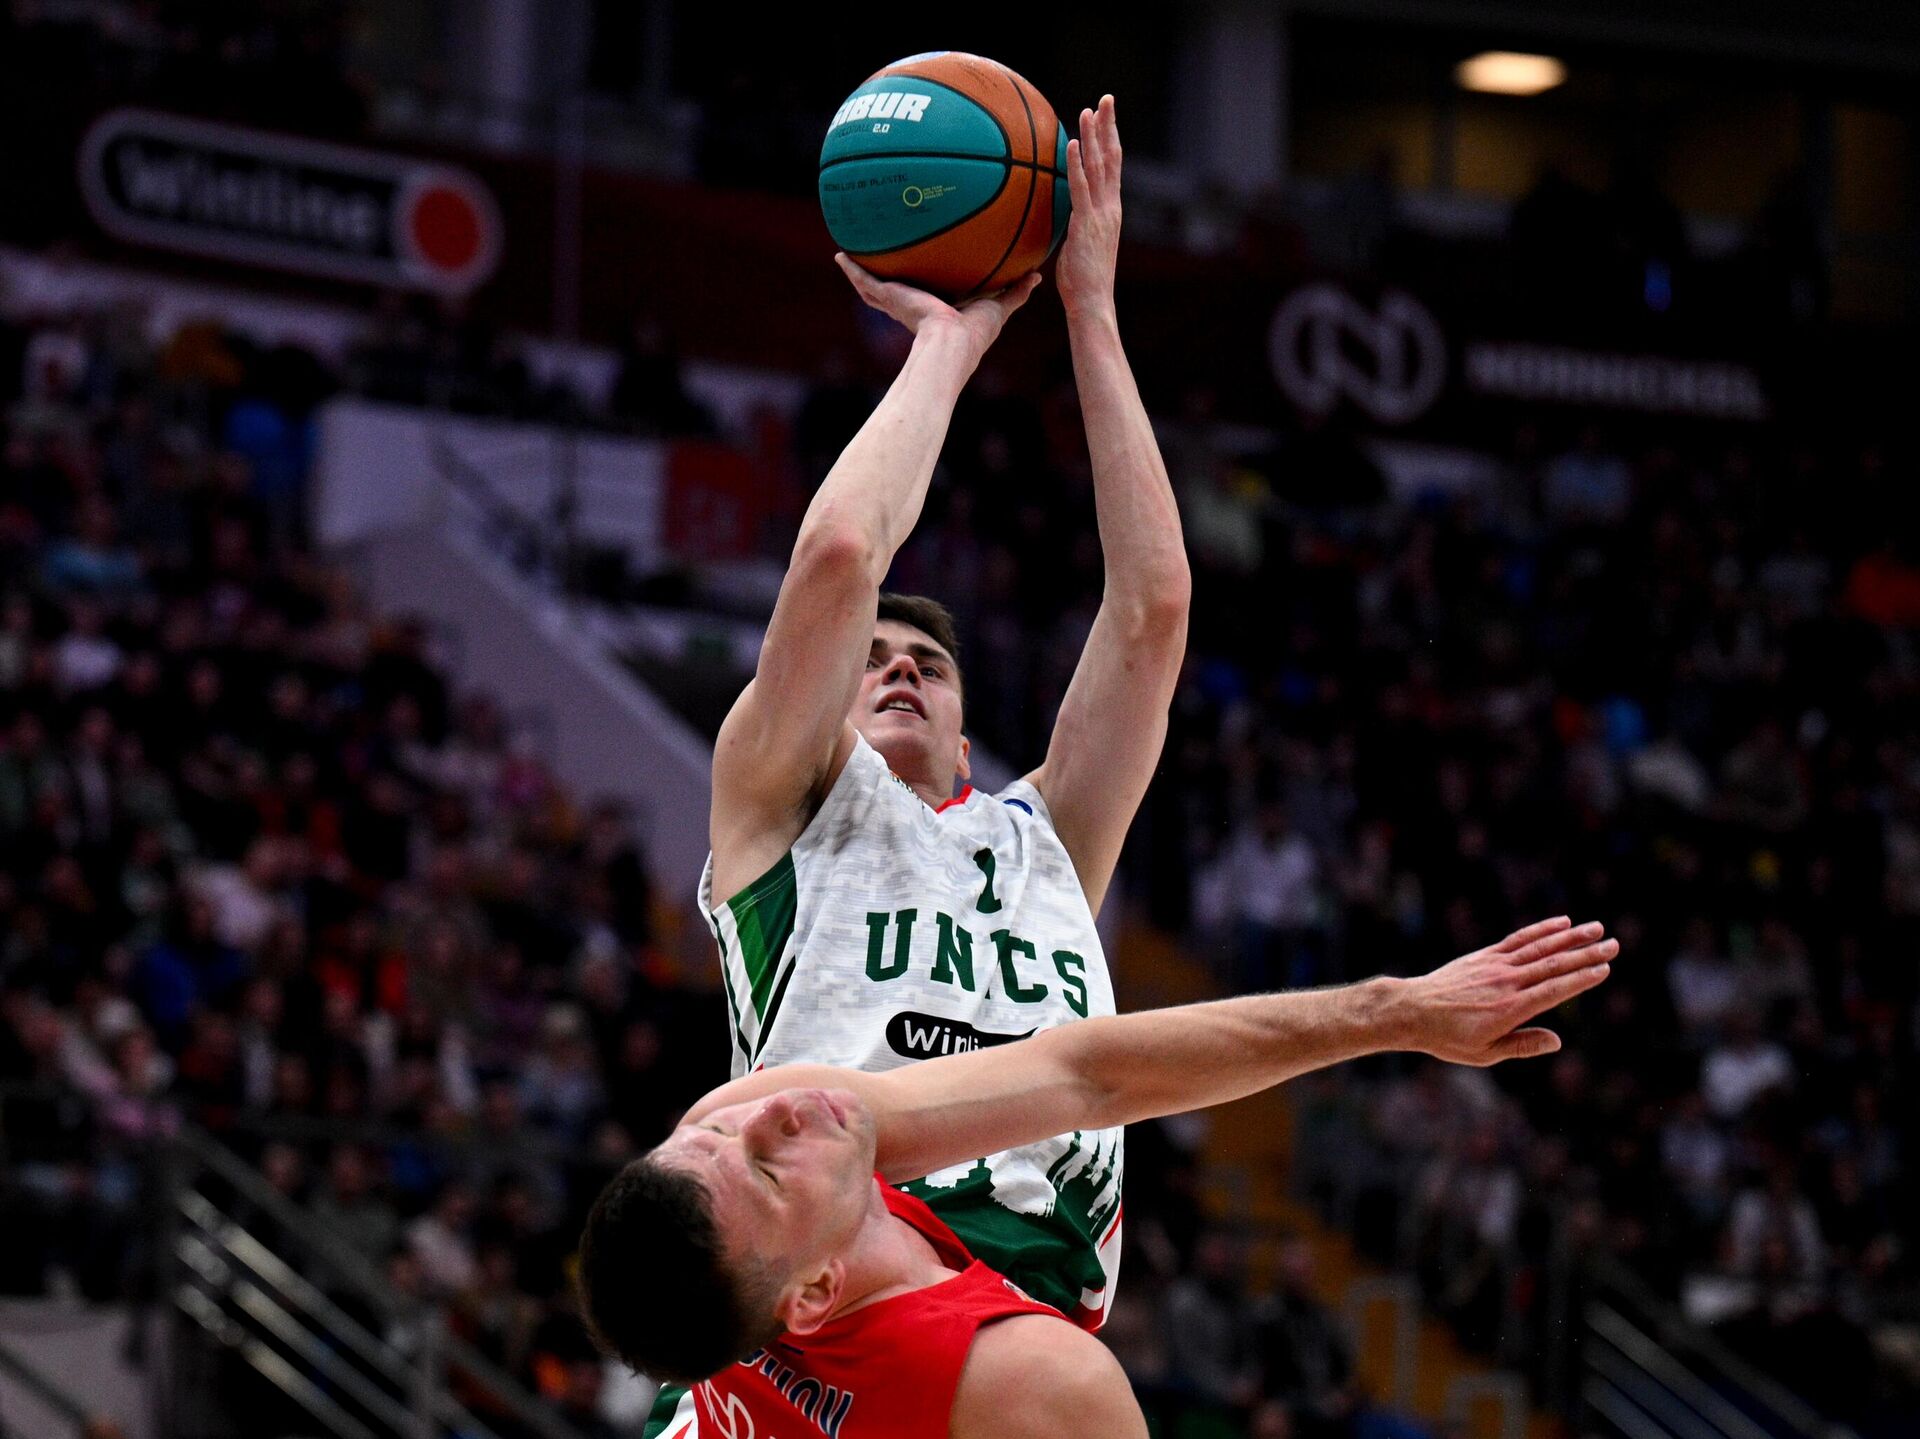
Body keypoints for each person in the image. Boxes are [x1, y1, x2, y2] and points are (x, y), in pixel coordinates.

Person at [699, 97, 1185, 1332]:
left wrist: (1091, 312)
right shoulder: (780, 805)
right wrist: (948, 343)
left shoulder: (1044, 843)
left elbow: (1153, 609)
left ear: (969, 738)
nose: (901, 669)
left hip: (1023, 1313)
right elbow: (841, 553)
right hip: (827, 1288)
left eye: (928, 662)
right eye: (870, 661)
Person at [578, 916, 1616, 1438]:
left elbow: (1086, 1075)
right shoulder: (1030, 1385)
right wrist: (1395, 1014)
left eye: (716, 1131)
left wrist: (1396, 1009)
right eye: (767, 1165)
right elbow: (1087, 1078)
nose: (772, 1110)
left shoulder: (746, 1195)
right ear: (809, 1293)